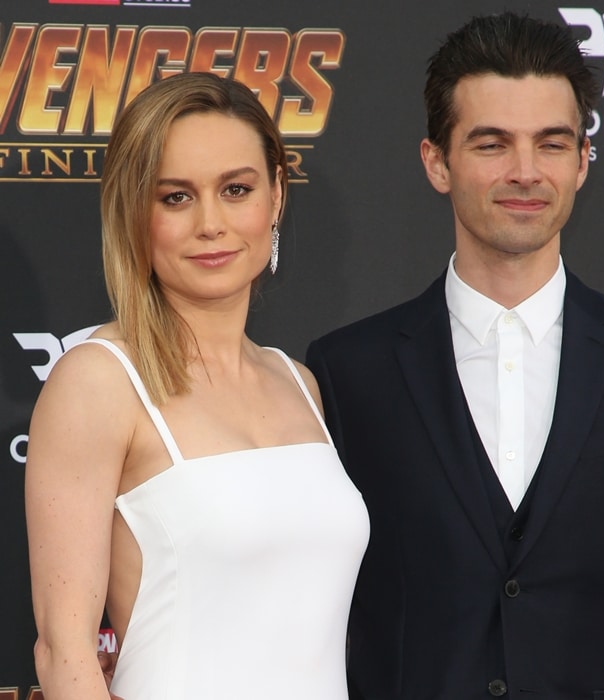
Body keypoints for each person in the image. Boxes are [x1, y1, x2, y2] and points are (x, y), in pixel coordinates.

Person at [307, 12, 604, 699]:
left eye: (551, 144)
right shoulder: (347, 372)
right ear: (437, 161)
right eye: (492, 144)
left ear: (582, 161)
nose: (525, 172)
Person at [25, 72, 369, 700]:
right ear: (136, 213)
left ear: (277, 199)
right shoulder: (99, 381)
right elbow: (63, 651)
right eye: (176, 197)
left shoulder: (299, 383)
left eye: (236, 189)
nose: (211, 223)